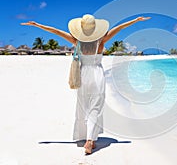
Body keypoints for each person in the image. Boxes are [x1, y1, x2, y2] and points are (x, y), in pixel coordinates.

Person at [21, 14, 150, 154]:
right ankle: (90, 140)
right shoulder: (101, 42)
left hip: (83, 75)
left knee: (83, 106)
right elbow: (119, 28)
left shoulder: (77, 42)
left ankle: (86, 137)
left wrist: (37, 25)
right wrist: (135, 20)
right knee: (96, 107)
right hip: (97, 75)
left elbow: (56, 31)